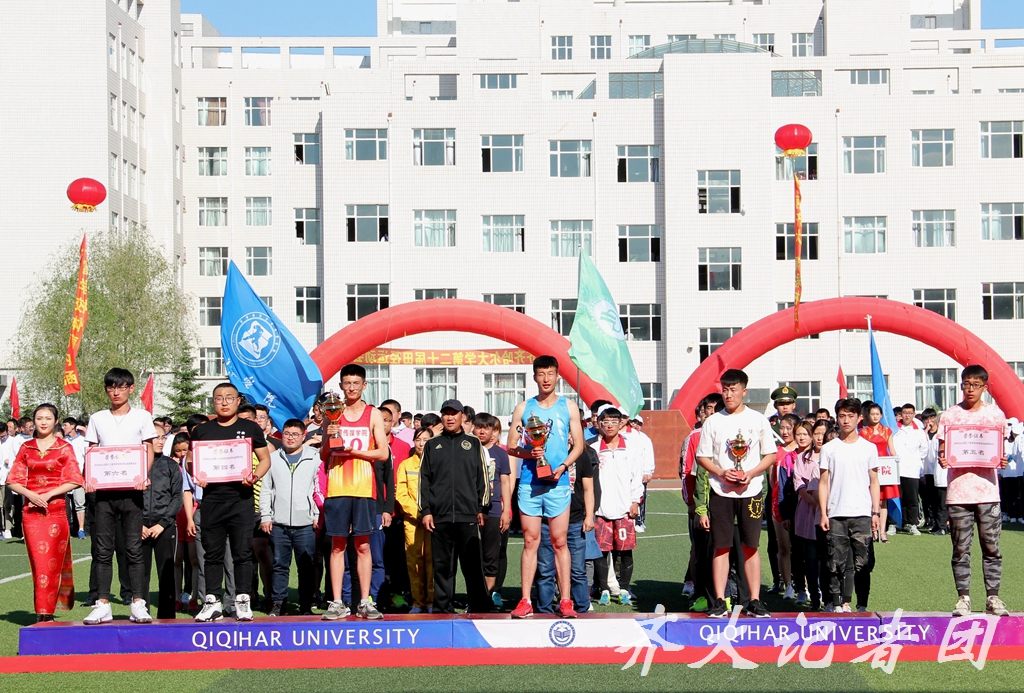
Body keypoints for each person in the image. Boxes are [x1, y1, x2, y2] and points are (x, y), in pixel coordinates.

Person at [507, 356, 586, 619]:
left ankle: (565, 601)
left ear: (557, 376)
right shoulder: (523, 408)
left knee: (560, 541)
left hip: (557, 483)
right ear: (534, 377)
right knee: (530, 540)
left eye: (550, 373)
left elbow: (579, 446)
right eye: (541, 374)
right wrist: (528, 454)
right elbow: (511, 447)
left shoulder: (568, 406)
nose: (546, 379)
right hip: (530, 483)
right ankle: (525, 601)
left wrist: (563, 467)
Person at [695, 368, 776, 618]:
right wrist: (721, 472)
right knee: (721, 546)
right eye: (725, 390)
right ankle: (720, 600)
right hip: (721, 492)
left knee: (750, 546)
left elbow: (770, 455)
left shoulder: (758, 420)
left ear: (744, 391)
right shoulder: (713, 421)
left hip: (751, 491)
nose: (728, 394)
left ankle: (754, 600)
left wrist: (751, 473)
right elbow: (702, 457)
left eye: (733, 389)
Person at [189, 382, 272, 622]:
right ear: (213, 402)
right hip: (212, 500)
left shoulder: (250, 428)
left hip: (241, 500)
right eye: (219, 398)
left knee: (242, 553)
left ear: (237, 401)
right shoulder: (202, 430)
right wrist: (197, 475)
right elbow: (191, 460)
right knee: (212, 554)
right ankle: (212, 601)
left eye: (229, 398)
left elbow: (265, 459)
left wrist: (254, 476)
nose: (224, 402)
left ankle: (242, 600)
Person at [82, 368, 157, 625]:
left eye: (121, 387)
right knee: (102, 551)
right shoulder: (97, 418)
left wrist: (143, 474)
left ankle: (138, 603)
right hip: (104, 493)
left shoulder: (142, 417)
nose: (116, 392)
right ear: (106, 390)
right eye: (111, 387)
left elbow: (148, 449)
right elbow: (92, 452)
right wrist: (89, 478)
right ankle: (102, 603)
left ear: (131, 389)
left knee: (134, 549)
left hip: (132, 492)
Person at [937, 365, 1010, 617]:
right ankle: (963, 598)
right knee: (960, 549)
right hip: (958, 493)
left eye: (976, 385)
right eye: (966, 384)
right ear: (961, 385)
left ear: (985, 387)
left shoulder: (995, 415)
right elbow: (943, 451)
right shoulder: (950, 416)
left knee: (992, 547)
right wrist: (943, 459)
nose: (970, 389)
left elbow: (1000, 452)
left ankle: (993, 597)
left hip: (988, 492)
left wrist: (1002, 460)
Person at [319, 364, 390, 621]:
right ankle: (337, 602)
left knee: (363, 545)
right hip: (337, 487)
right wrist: (329, 440)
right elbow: (324, 455)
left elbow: (383, 453)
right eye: (347, 383)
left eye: (355, 383)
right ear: (340, 386)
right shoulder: (332, 412)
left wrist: (354, 452)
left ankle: (364, 601)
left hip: (363, 487)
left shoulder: (373, 414)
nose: (351, 388)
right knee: (337, 545)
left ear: (364, 385)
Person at [5, 404, 85, 621]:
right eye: (39, 418)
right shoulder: (26, 447)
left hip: (55, 512)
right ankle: (42, 610)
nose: (43, 422)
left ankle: (46, 612)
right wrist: (31, 495)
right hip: (31, 514)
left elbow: (75, 479)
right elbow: (12, 480)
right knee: (38, 563)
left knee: (52, 563)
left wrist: (48, 494)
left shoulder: (64, 448)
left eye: (48, 418)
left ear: (56, 421)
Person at [418, 400, 491, 614]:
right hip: (439, 516)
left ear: (462, 417)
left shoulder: (473, 443)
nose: (450, 418)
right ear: (441, 417)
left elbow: (483, 477)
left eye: (454, 414)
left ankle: (479, 608)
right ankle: (442, 609)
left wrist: (483, 507)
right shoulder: (432, 445)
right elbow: (424, 479)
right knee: (442, 567)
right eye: (446, 414)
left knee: (472, 566)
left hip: (468, 515)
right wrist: (426, 511)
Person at [818, 398, 880, 613]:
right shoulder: (829, 449)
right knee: (835, 563)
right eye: (842, 416)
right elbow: (823, 482)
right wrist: (824, 513)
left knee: (863, 563)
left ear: (859, 418)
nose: (846, 420)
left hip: (862, 513)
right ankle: (836, 604)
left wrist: (875, 512)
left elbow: (874, 481)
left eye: (850, 416)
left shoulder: (869, 448)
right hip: (836, 513)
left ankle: (862, 605)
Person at [260, 418, 320, 616]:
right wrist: (266, 516)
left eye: (295, 434)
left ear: (304, 436)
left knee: (306, 566)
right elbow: (266, 489)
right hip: (279, 524)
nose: (290, 438)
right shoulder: (273, 458)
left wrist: (317, 514)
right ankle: (278, 603)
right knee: (279, 565)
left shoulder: (314, 457)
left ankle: (306, 605)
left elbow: (319, 487)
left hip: (306, 523)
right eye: (287, 434)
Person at [591, 406, 643, 607]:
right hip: (601, 509)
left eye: (614, 421)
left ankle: (624, 589)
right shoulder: (594, 448)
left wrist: (635, 501)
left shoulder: (630, 447)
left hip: (624, 508)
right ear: (599, 424)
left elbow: (636, 476)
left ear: (621, 423)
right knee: (602, 551)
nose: (610, 425)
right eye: (606, 422)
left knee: (625, 550)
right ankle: (604, 589)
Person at [140, 430, 183, 620]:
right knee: (140, 574)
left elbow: (177, 498)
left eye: (162, 437)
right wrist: (138, 523)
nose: (160, 441)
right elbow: (130, 496)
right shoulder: (137, 463)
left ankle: (167, 617)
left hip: (164, 527)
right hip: (140, 527)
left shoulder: (171, 465)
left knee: (166, 572)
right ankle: (141, 612)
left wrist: (162, 524)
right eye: (155, 437)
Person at [472, 413, 512, 608]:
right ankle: (475, 596)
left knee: (491, 555)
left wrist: (507, 511)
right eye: (479, 427)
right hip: (470, 510)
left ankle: (489, 596)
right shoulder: (468, 450)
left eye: (486, 428)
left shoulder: (500, 454)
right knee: (473, 555)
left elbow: (505, 482)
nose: (482, 431)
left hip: (494, 509)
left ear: (493, 431)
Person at [395, 427, 435, 612]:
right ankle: (418, 602)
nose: (421, 443)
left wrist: (430, 513)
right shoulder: (405, 465)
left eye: (425, 440)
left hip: (433, 521)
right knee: (414, 561)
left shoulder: (436, 463)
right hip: (412, 521)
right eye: (418, 439)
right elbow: (401, 494)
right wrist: (418, 513)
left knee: (432, 561)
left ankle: (432, 601)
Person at [859, 402, 898, 540]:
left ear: (881, 415)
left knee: (884, 501)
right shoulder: (863, 433)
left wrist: (896, 463)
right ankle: (873, 531)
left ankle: (883, 532)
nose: (875, 416)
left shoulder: (887, 431)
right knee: (871, 500)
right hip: (870, 467)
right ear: (868, 415)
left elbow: (892, 449)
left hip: (885, 466)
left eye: (877, 414)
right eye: (872, 414)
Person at [170, 432, 199, 612]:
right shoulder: (171, 467)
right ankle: (176, 596)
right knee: (176, 559)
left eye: (184, 450)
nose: (181, 454)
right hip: (176, 517)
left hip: (193, 513)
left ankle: (194, 596)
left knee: (194, 559)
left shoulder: (194, 465)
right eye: (178, 451)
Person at [891, 403, 928, 535]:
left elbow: (924, 450)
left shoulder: (919, 431)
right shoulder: (894, 429)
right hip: (896, 469)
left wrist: (915, 461)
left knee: (912, 499)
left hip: (912, 470)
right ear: (901, 414)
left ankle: (912, 523)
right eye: (905, 413)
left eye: (910, 413)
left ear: (913, 414)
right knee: (896, 497)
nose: (907, 416)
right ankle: (894, 523)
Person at [62, 417, 88, 538]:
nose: (64, 428)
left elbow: (86, 459)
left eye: (65, 425)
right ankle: (67, 528)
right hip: (65, 478)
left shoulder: (82, 441)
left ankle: (81, 529)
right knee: (66, 504)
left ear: (73, 426)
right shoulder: (63, 442)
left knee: (79, 503)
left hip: (78, 477)